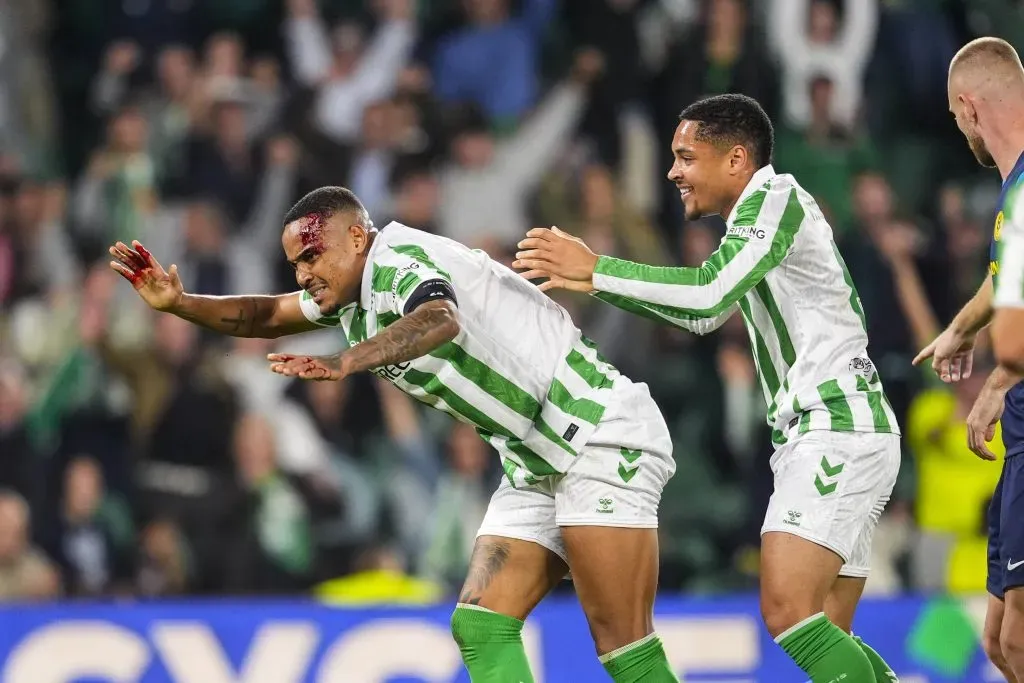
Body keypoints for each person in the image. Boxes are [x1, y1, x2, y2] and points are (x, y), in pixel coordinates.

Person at [108, 186, 680, 682]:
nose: (303, 274)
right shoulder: (349, 292)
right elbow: (267, 314)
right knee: (481, 627)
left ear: (357, 237)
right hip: (535, 456)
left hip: (594, 430)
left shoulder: (399, 262)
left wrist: (347, 360)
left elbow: (439, 318)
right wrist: (180, 304)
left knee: (621, 642)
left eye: (312, 255)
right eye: (296, 263)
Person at [512, 93, 900, 682]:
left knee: (788, 611)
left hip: (836, 426)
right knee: (824, 629)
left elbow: (706, 298)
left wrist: (596, 269)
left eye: (686, 157)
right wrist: (596, 279)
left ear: (737, 159)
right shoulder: (753, 220)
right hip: (832, 430)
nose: (673, 172)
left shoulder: (775, 198)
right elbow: (705, 312)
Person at [912, 37, 1024, 682]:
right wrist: (960, 330)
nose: (961, 131)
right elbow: (1005, 277)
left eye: (957, 118)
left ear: (970, 107)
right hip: (1021, 440)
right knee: (1000, 642)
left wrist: (1001, 380)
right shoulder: (1014, 189)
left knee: (1020, 637)